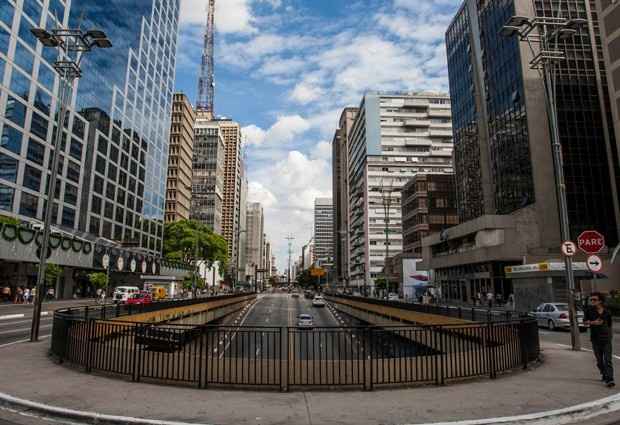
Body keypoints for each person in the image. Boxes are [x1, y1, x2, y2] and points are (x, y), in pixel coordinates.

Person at [584, 293, 615, 387]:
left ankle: (610, 379)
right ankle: (604, 373)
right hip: (595, 339)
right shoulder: (589, 311)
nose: (592, 301)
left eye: (594, 300)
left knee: (608, 360)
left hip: (606, 338)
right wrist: (594, 322)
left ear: (600, 301)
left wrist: (610, 335)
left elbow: (609, 324)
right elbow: (585, 323)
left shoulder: (607, 312)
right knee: (599, 361)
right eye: (591, 300)